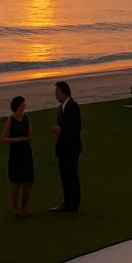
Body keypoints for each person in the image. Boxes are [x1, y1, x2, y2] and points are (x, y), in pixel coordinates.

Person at [51, 81, 83, 213]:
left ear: (64, 92)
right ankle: (67, 202)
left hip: (71, 148)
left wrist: (61, 131)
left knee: (72, 176)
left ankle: (74, 204)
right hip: (63, 148)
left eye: (57, 92)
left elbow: (75, 128)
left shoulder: (73, 106)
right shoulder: (61, 107)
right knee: (65, 176)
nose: (55, 95)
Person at [1, 96, 35, 218]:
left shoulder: (26, 119)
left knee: (28, 180)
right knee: (16, 182)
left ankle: (24, 207)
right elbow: (3, 138)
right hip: (15, 153)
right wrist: (17, 139)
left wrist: (24, 139)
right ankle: (15, 208)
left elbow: (31, 135)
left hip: (26, 152)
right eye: (22, 105)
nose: (23, 107)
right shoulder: (10, 120)